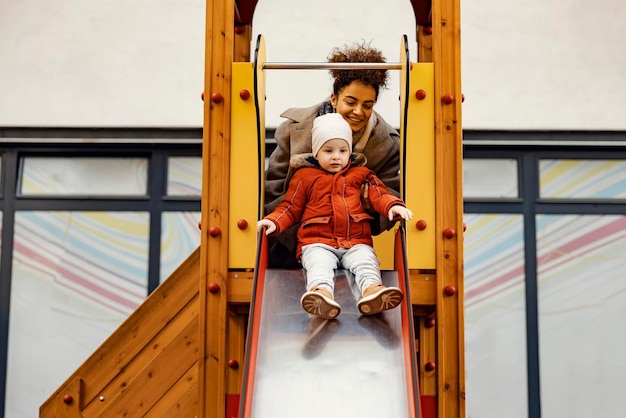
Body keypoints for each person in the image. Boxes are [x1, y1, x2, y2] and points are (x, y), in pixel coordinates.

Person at [257, 113, 413, 319]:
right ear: (316, 152)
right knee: (318, 264)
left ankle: (372, 291)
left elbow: (379, 194)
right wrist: (273, 221)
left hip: (355, 241)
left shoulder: (362, 174)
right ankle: (320, 294)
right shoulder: (304, 177)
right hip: (317, 241)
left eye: (343, 150)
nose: (336, 156)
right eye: (328, 151)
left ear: (350, 152)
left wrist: (393, 206)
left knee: (366, 261)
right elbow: (290, 207)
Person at [264, 41, 401, 268]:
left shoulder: (385, 144)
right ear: (334, 99)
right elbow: (274, 185)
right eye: (351, 102)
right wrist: (306, 235)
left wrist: (369, 207)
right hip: (292, 240)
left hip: (352, 241)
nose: (358, 111)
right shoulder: (293, 129)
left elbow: (389, 193)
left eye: (368, 105)